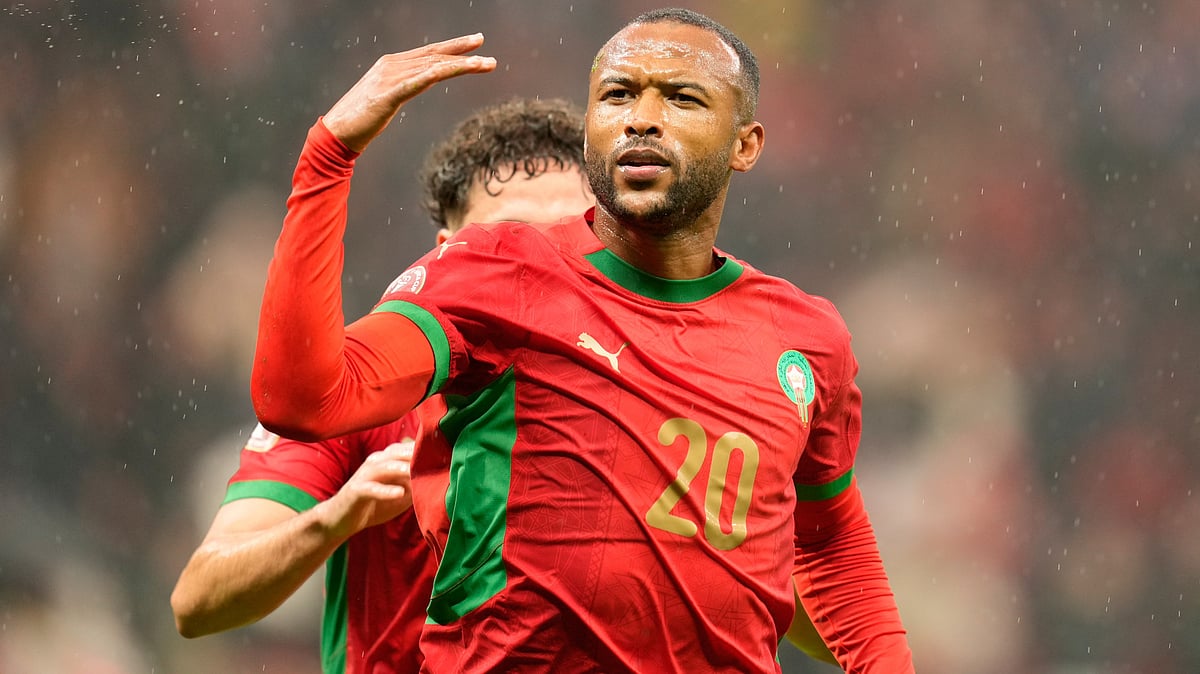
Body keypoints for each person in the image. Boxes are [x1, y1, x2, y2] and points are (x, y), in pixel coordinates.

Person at [250, 8, 911, 673]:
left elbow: (830, 544)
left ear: (746, 143)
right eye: (619, 95)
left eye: (682, 97)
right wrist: (328, 156)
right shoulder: (497, 271)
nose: (642, 118)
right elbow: (302, 400)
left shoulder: (805, 337)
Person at [170, 97, 596, 674]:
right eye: (510, 238)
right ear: (447, 252)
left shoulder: (655, 390)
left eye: (570, 235)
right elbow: (199, 599)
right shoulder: (353, 392)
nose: (543, 261)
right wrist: (341, 514)